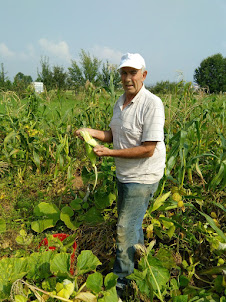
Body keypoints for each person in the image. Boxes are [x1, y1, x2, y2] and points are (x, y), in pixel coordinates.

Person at [75, 53, 166, 298]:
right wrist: (89, 131)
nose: (128, 78)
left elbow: (148, 149)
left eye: (133, 73)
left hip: (143, 176)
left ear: (143, 75)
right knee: (132, 225)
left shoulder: (152, 104)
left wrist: (109, 153)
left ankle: (123, 284)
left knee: (124, 228)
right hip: (124, 175)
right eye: (124, 73)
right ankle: (142, 263)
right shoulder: (120, 102)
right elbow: (112, 134)